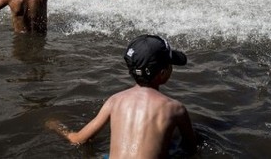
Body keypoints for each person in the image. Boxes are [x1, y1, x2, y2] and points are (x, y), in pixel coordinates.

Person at [47, 34, 196, 157]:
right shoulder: (175, 108)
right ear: (163, 73)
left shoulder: (115, 101)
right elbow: (191, 147)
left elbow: (78, 139)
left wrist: (57, 127)